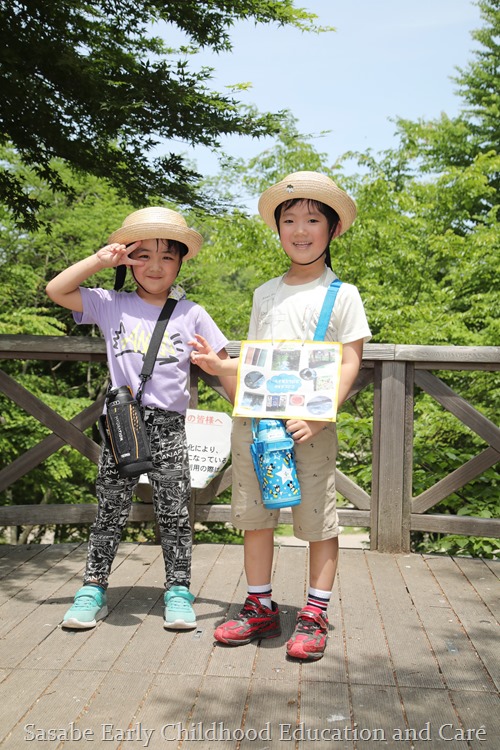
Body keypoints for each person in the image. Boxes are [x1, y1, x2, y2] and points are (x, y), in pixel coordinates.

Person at [190, 171, 371, 661]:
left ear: (332, 230)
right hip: (257, 423)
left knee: (317, 519)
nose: (299, 229)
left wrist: (322, 415)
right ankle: (260, 606)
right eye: (288, 219)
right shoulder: (265, 293)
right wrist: (219, 366)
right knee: (254, 516)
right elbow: (256, 363)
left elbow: (351, 360)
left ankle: (314, 613)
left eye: (312, 219)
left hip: (311, 427)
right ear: (277, 229)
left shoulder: (343, 294)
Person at [46, 207, 233, 631]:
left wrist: (241, 403)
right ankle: (93, 588)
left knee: (174, 511)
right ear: (129, 260)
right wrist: (100, 260)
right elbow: (57, 289)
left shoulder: (192, 314)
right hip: (123, 421)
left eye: (167, 256)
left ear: (181, 262)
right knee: (110, 508)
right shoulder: (112, 303)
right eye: (143, 255)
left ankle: (179, 591)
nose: (155, 266)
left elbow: (223, 366)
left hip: (169, 424)